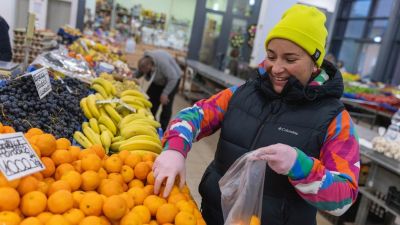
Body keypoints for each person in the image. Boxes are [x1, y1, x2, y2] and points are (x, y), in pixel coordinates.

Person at [152, 4, 360, 225]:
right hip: (213, 216)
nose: (277, 68)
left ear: (315, 64)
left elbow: (344, 198)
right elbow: (193, 115)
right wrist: (175, 149)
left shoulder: (335, 120)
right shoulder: (241, 94)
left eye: (290, 60)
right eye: (271, 56)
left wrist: (300, 166)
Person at [136, 50, 182, 131]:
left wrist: (165, 93)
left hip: (172, 80)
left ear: (150, 66)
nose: (144, 73)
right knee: (150, 101)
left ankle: (162, 130)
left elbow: (173, 78)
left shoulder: (163, 64)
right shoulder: (146, 60)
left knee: (166, 105)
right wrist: (131, 78)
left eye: (146, 72)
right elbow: (140, 71)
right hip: (159, 79)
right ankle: (151, 123)